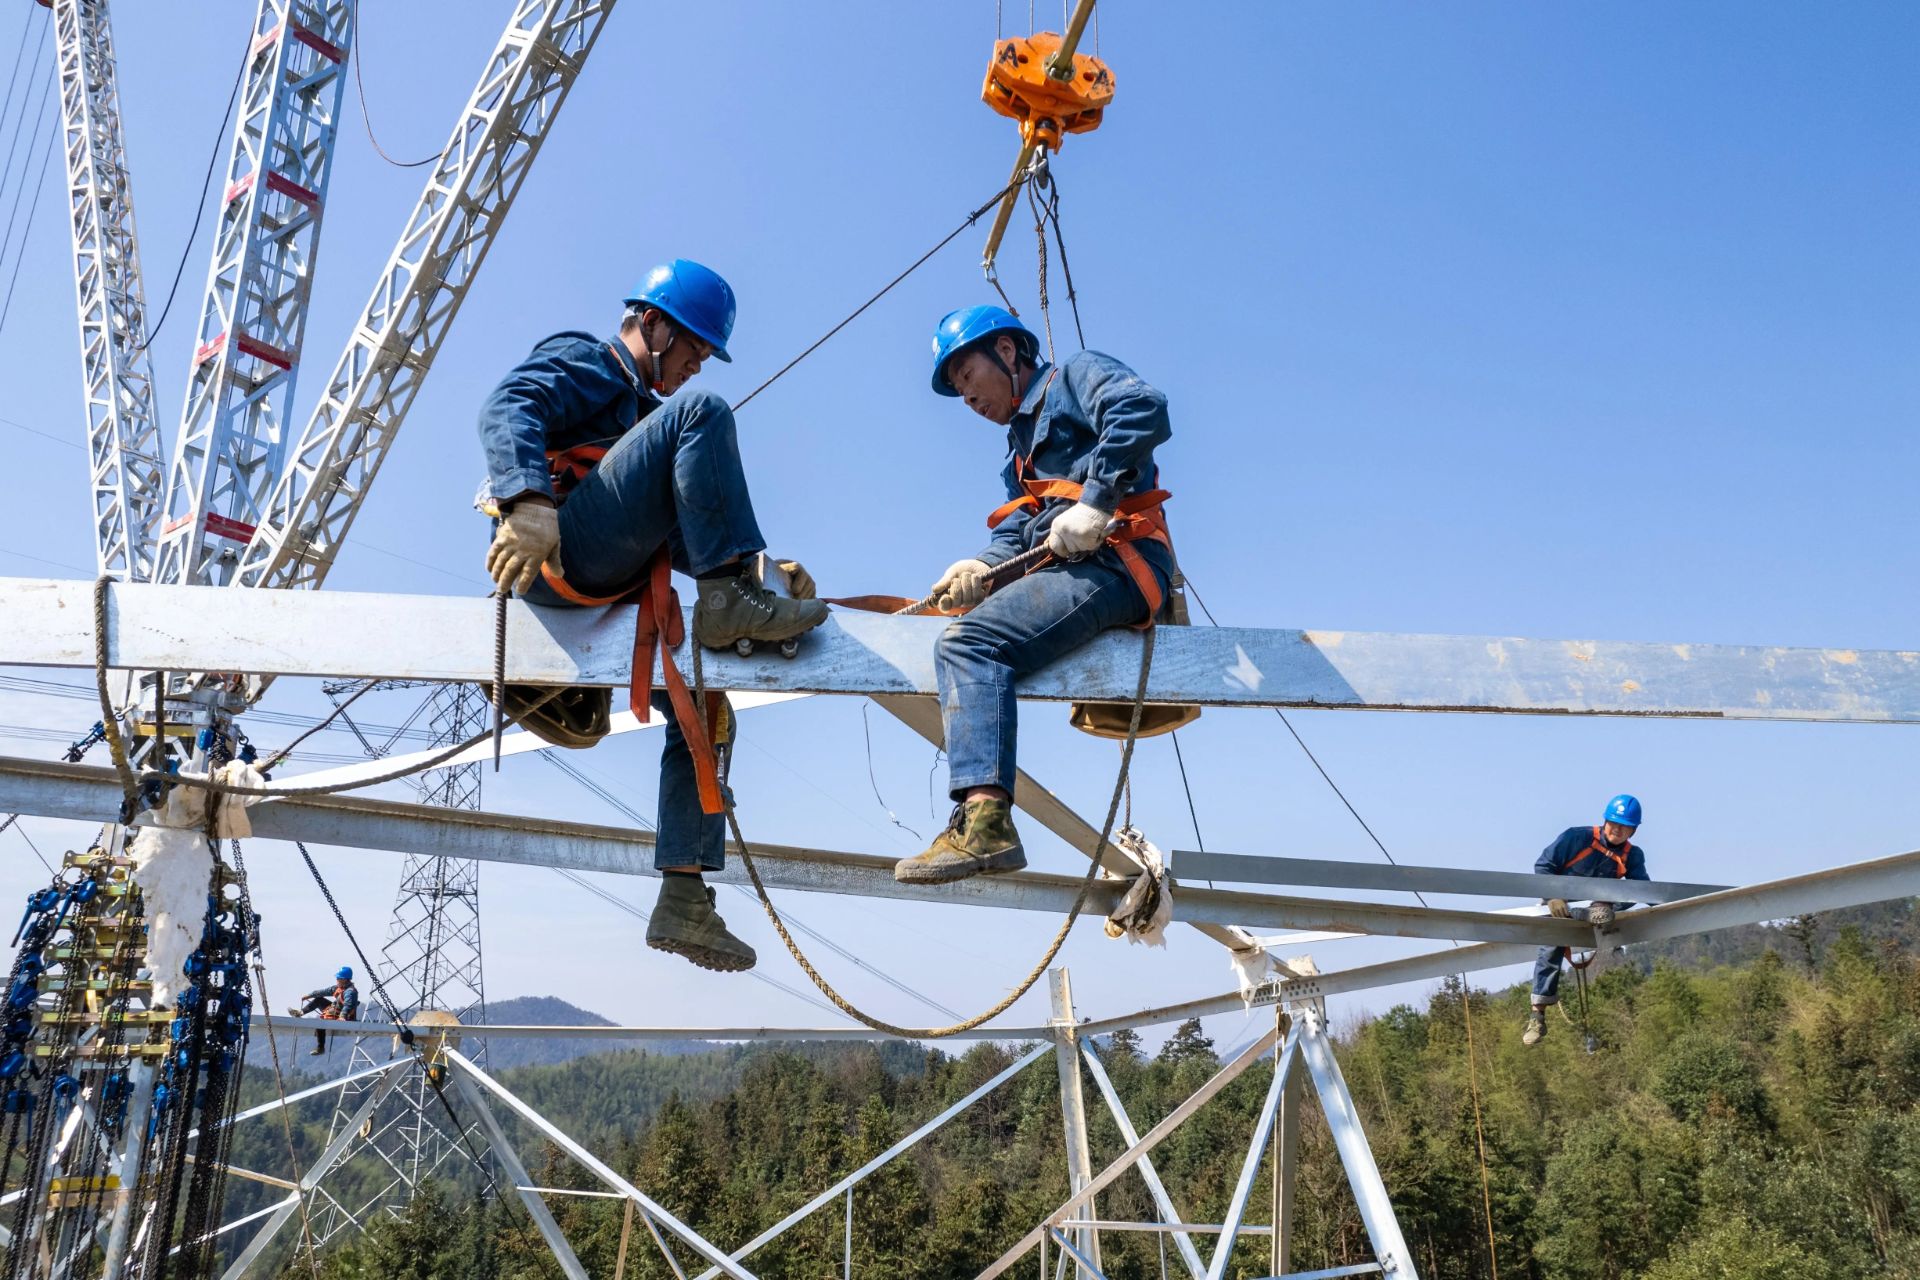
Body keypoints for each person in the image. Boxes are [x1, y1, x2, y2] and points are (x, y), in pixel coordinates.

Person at [478, 259, 827, 974]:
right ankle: (730, 600)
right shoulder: (591, 363)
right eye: (694, 347)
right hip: (558, 552)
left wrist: (762, 567)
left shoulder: (643, 420)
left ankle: (685, 896)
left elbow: (678, 532)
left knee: (707, 705)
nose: (697, 364)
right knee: (702, 415)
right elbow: (509, 404)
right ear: (655, 325)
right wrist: (530, 501)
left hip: (606, 575)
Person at [892, 306, 1174, 886]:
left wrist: (1096, 500)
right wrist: (981, 569)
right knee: (967, 634)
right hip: (1079, 567)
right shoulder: (1019, 454)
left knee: (970, 646)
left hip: (1120, 560)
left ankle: (986, 822)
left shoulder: (1076, 374)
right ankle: (982, 818)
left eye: (966, 375)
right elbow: (1019, 534)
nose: (966, 396)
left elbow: (1143, 406)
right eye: (955, 389)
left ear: (1007, 352)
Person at [1523, 794, 1650, 1046]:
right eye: (1613, 823)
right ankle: (1537, 1015)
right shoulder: (1576, 838)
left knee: (1615, 950)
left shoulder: (1631, 856)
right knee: (1550, 948)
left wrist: (1614, 905)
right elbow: (1544, 866)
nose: (1617, 829)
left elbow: (1641, 890)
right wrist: (1553, 896)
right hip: (1562, 909)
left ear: (1633, 831)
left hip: (1598, 915)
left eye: (1624, 826)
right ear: (1604, 821)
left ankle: (1618, 1021)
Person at [288, 966, 359, 1056]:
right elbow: (323, 991)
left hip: (344, 1016)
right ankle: (300, 1013)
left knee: (320, 1024)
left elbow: (348, 1005)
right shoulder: (338, 988)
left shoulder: (350, 992)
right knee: (319, 1000)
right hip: (336, 1011)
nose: (337, 980)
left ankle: (320, 1048)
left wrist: (342, 1016)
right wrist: (309, 995)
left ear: (344, 979)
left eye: (338, 978)